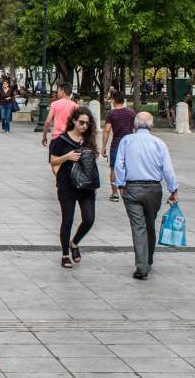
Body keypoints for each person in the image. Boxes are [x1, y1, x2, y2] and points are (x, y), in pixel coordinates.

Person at [114, 112, 179, 280]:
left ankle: (142, 265)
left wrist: (120, 185)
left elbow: (119, 165)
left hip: (132, 188)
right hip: (153, 190)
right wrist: (173, 189)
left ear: (134, 126)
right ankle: (147, 259)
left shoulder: (126, 141)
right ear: (151, 126)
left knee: (138, 227)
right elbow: (167, 169)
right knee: (149, 223)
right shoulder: (159, 143)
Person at [49, 106, 98, 269]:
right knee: (67, 220)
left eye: (87, 123)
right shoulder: (61, 140)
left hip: (86, 186)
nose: (84, 126)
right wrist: (67, 157)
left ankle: (74, 242)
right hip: (67, 185)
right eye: (81, 122)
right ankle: (65, 254)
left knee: (89, 219)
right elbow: (53, 161)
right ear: (74, 121)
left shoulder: (89, 139)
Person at [101, 91, 135, 202]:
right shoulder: (131, 113)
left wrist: (103, 147)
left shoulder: (112, 114)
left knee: (113, 169)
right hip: (130, 144)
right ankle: (128, 192)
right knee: (129, 167)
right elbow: (136, 127)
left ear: (114, 101)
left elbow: (106, 130)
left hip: (116, 144)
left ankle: (115, 193)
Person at [42, 82, 79, 148]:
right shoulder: (75, 106)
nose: (57, 93)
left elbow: (48, 121)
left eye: (58, 91)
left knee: (54, 158)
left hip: (57, 138)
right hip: (70, 139)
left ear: (63, 91)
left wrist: (44, 136)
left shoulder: (55, 104)